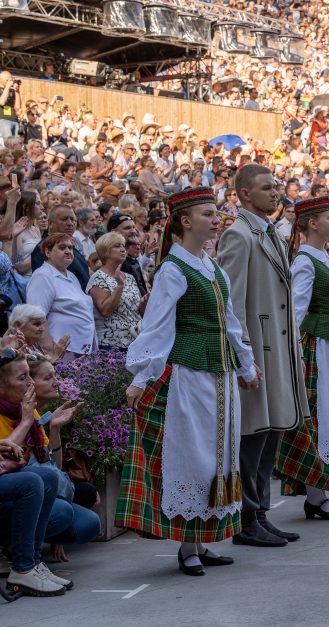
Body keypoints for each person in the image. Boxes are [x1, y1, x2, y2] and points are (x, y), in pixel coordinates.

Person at [118, 187, 260, 577]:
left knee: (219, 452)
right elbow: (158, 327)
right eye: (208, 213)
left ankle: (203, 539)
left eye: (216, 213)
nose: (216, 219)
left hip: (221, 373)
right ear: (185, 221)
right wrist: (142, 377)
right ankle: (186, 546)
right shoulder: (172, 269)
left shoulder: (212, 268)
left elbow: (231, 324)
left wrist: (246, 365)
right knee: (194, 453)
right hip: (190, 372)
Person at [216, 164, 308, 547]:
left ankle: (261, 512)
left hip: (277, 346)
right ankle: (246, 515)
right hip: (258, 346)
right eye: (266, 188)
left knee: (270, 430)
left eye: (276, 187)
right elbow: (232, 301)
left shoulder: (269, 232)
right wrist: (243, 355)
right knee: (253, 433)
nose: (275, 193)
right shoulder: (239, 235)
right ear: (243, 194)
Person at [275, 196, 329, 520]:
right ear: (311, 223)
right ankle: (316, 495)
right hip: (318, 347)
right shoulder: (305, 261)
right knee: (321, 418)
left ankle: (320, 493)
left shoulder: (323, 257)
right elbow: (294, 311)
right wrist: (295, 352)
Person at [0, 349, 73, 596]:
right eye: (22, 378)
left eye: (29, 376)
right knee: (33, 483)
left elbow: (52, 467)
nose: (29, 383)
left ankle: (31, 562)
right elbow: (7, 458)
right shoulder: (18, 412)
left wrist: (54, 431)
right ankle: (21, 568)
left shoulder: (26, 409)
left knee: (49, 477)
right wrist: (24, 422)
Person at [25, 354, 100, 560]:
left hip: (42, 492)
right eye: (48, 378)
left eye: (55, 375)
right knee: (62, 511)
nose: (57, 382)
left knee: (89, 523)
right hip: (18, 498)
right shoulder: (22, 416)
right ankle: (22, 556)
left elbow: (53, 470)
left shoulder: (38, 416)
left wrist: (55, 430)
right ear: (30, 384)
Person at [25, 234, 96, 358]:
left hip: (82, 348)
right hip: (61, 350)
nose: (68, 251)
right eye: (62, 247)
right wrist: (50, 350)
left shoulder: (72, 276)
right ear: (48, 252)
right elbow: (35, 317)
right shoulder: (42, 276)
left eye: (70, 247)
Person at [86, 232, 144, 349]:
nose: (123, 249)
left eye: (123, 246)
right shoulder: (98, 277)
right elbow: (105, 310)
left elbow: (138, 311)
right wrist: (119, 287)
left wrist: (144, 302)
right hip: (112, 346)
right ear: (105, 251)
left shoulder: (130, 277)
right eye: (117, 246)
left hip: (135, 342)